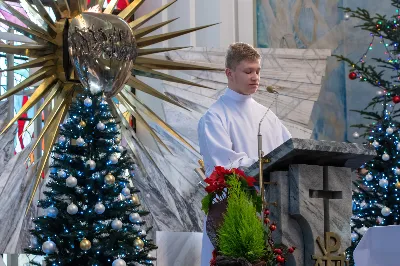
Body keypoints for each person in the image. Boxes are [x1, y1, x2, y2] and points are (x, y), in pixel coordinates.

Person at [197, 42, 291, 266]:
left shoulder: (267, 116)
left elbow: (290, 152)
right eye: (248, 71)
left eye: (258, 71)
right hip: (233, 212)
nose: (255, 77)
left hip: (275, 211)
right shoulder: (215, 117)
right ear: (229, 73)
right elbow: (226, 166)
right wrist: (266, 164)